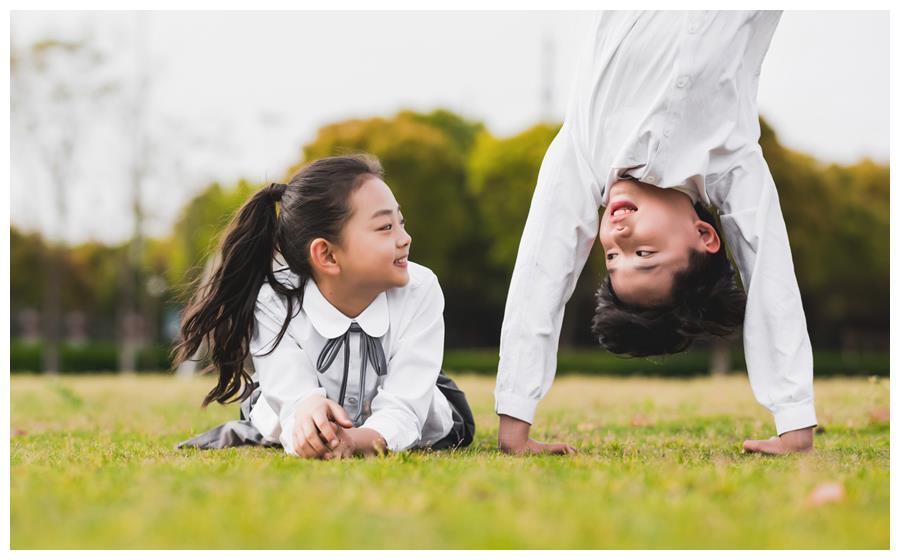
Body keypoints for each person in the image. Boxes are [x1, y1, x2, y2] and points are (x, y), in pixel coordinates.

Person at [495, 10, 817, 456]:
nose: (617, 237)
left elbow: (540, 273)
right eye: (644, 253)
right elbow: (770, 274)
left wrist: (514, 426)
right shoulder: (730, 159)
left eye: (612, 258)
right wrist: (794, 419)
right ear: (705, 235)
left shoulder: (584, 154)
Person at [175, 154, 475, 458]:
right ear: (328, 255)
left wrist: (359, 440)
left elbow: (405, 405)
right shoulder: (274, 300)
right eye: (386, 227)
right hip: (298, 396)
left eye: (401, 222)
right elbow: (294, 397)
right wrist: (308, 419)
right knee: (268, 410)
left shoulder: (420, 288)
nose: (405, 238)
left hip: (406, 397)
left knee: (445, 414)